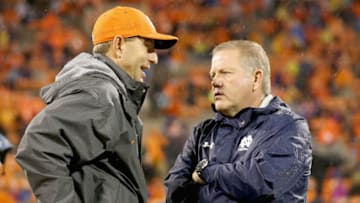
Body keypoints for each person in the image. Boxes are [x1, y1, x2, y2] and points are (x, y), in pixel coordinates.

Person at [15, 6, 178, 203]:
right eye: (147, 46)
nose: (154, 57)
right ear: (119, 45)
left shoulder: (109, 92)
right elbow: (38, 146)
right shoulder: (101, 93)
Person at [164, 40, 312, 203]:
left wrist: (206, 172)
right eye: (213, 75)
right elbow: (174, 192)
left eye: (225, 73)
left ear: (256, 79)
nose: (215, 82)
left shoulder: (288, 126)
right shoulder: (203, 132)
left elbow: (265, 184)